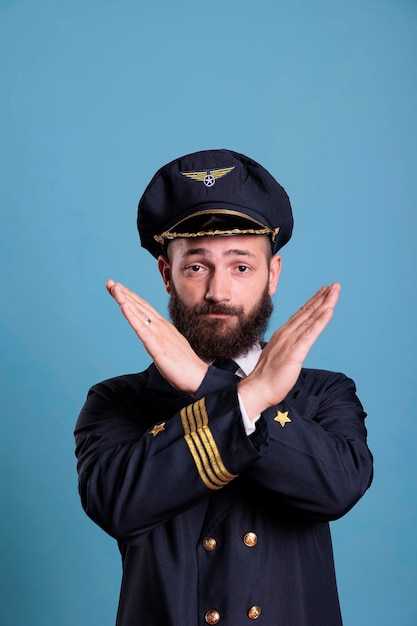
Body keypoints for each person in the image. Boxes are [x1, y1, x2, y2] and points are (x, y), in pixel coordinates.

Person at [75, 149, 373, 626]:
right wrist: (248, 396)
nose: (218, 291)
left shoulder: (325, 393)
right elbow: (117, 505)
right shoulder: (115, 401)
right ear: (166, 275)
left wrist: (204, 384)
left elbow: (336, 489)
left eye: (241, 266)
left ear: (272, 275)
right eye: (196, 267)